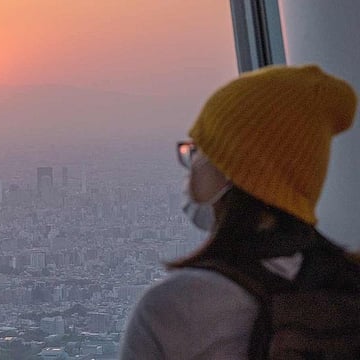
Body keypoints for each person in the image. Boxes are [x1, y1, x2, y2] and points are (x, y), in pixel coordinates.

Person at [119, 64, 360, 359]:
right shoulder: (348, 280)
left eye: (198, 151)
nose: (191, 164)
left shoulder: (172, 307)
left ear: (234, 172)